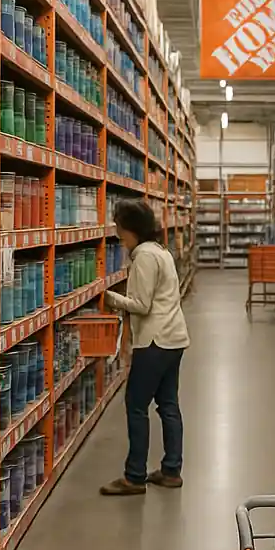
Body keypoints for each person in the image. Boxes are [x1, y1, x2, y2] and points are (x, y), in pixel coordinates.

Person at [100, 199, 190, 496]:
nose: (117, 234)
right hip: (173, 338)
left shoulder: (144, 257)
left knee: (136, 405)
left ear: (130, 228)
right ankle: (171, 470)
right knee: (168, 405)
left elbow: (141, 305)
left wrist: (111, 298)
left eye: (119, 227)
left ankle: (134, 476)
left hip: (155, 341)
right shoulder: (160, 251)